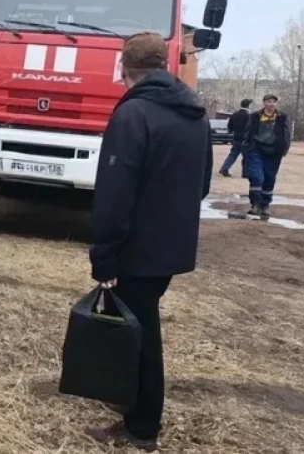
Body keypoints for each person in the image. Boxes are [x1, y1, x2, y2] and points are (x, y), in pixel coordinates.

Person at [87, 32, 211, 452]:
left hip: (136, 250)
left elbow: (114, 195)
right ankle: (134, 413)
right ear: (165, 65)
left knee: (140, 336)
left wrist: (104, 258)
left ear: (125, 69)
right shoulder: (194, 112)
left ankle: (142, 427)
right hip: (170, 245)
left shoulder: (134, 114)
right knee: (141, 327)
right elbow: (202, 185)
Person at [243, 94, 291, 220]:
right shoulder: (254, 116)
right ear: (264, 103)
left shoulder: (282, 117)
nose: (271, 104)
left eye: (273, 102)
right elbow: (247, 132)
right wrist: (246, 148)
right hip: (256, 150)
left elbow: (287, 134)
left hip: (274, 152)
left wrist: (284, 149)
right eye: (268, 102)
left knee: (269, 178)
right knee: (256, 177)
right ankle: (255, 204)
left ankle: (265, 205)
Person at [218, 98, 252, 178]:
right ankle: (245, 173)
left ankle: (224, 168)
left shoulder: (235, 114)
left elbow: (230, 126)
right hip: (245, 139)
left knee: (233, 155)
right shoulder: (249, 115)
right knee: (246, 156)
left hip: (236, 138)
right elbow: (250, 128)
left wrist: (232, 131)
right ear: (248, 106)